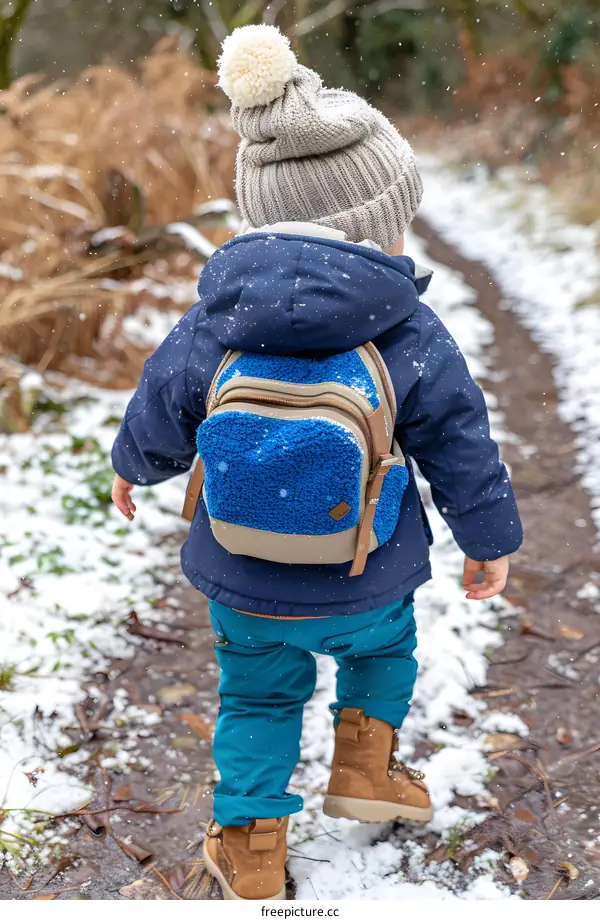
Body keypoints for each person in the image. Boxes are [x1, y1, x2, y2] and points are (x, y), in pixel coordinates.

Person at [111, 24, 522, 901]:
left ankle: (253, 844)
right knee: (385, 654)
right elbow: (460, 441)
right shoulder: (410, 330)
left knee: (257, 699)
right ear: (382, 219)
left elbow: (162, 402)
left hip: (245, 572)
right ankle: (366, 768)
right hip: (370, 568)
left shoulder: (214, 320)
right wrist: (488, 538)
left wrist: (132, 466)